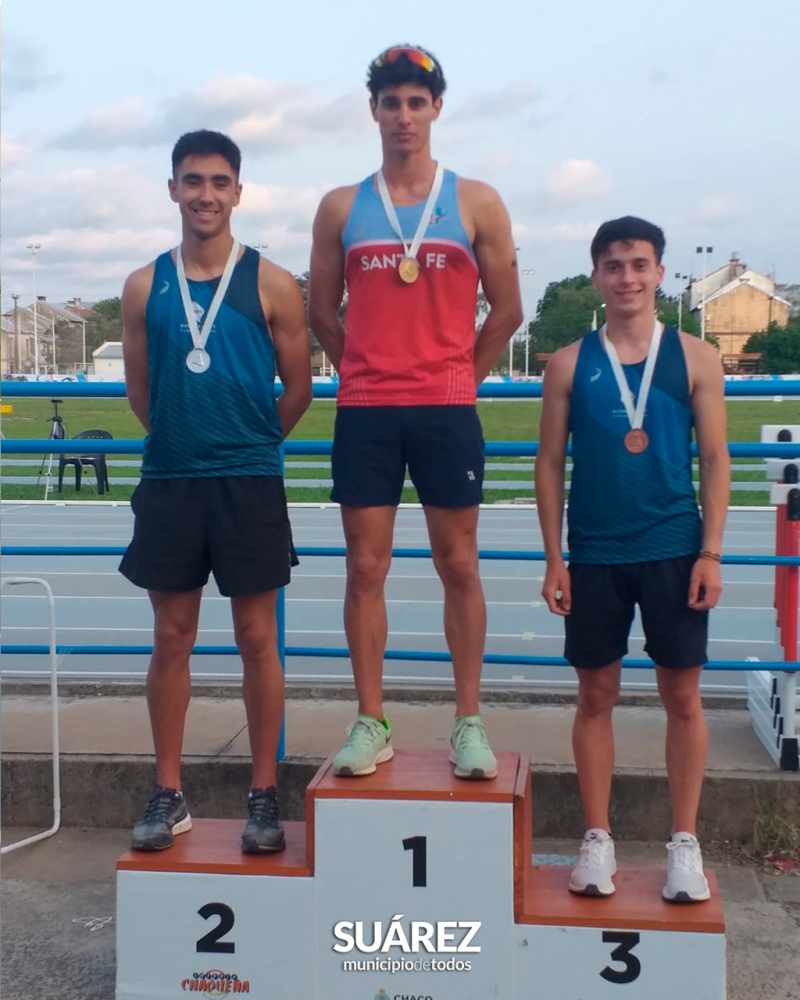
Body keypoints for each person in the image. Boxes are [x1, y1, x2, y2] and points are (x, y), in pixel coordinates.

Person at [308, 45, 522, 780]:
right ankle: (372, 720)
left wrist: (459, 377)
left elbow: (508, 309)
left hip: (445, 410)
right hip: (367, 411)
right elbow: (321, 312)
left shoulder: (477, 201)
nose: (404, 114)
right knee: (365, 566)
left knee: (458, 562)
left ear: (436, 109)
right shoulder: (342, 205)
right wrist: (367, 371)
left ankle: (469, 722)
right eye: (391, 101)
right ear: (373, 110)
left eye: (417, 101)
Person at [120, 129, 312, 852]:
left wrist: (252, 444)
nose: (205, 194)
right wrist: (182, 439)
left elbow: (298, 388)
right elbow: (142, 390)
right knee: (172, 637)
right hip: (171, 481)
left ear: (238, 191)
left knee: (257, 637)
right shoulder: (145, 285)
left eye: (218, 181)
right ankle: (168, 793)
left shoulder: (271, 282)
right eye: (192, 180)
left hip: (248, 482)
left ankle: (263, 793)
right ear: (173, 188)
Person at [536, 216, 730, 901]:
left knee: (683, 696)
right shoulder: (566, 362)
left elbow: (713, 459)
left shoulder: (697, 357)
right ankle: (597, 839)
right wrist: (555, 558)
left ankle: (684, 841)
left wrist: (711, 550)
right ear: (596, 275)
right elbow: (549, 463)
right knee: (596, 695)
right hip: (594, 555)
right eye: (614, 265)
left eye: (640, 265)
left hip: (676, 550)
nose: (628, 277)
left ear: (659, 273)